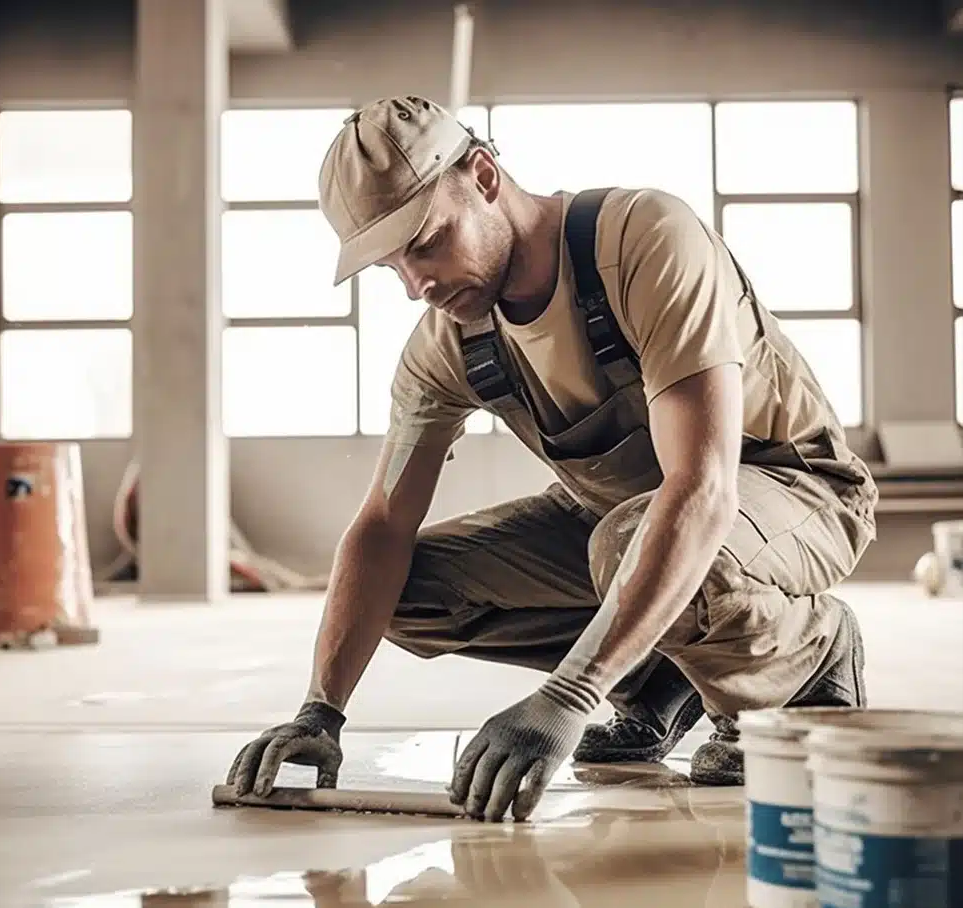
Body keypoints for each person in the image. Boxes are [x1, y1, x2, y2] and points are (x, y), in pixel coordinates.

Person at [223, 95, 877, 822]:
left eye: (427, 242)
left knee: (631, 541)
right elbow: (381, 527)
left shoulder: (643, 242)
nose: (418, 286)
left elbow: (702, 488)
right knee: (405, 593)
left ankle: (809, 658)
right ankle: (659, 678)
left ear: (482, 175)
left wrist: (570, 693)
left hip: (793, 492)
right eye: (392, 266)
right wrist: (322, 709)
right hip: (622, 521)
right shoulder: (448, 343)